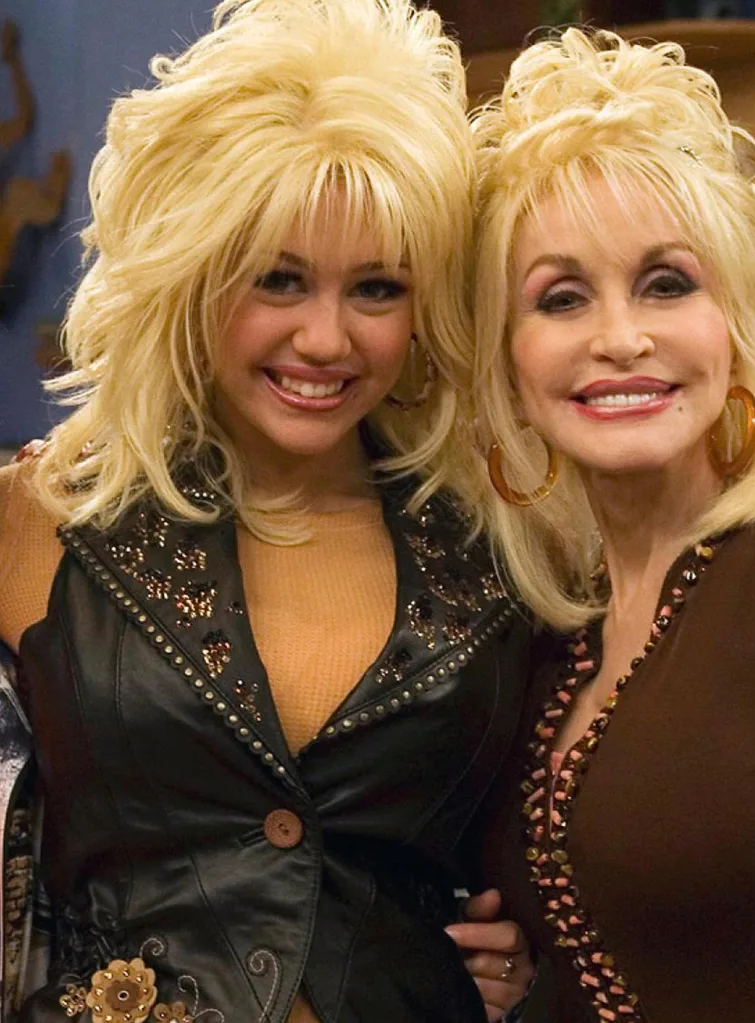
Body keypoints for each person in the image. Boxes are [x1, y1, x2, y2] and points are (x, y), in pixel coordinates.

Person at [0, 2, 536, 1021]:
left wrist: (526, 965)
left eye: (376, 289)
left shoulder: (499, 553)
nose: (326, 339)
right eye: (279, 280)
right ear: (192, 270)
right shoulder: (35, 517)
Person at [467, 26, 755, 1023]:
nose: (621, 337)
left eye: (666, 283)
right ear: (508, 360)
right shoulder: (550, 628)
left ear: (736, 324)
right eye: (561, 298)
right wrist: (521, 982)